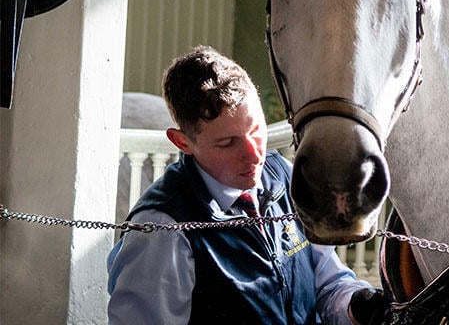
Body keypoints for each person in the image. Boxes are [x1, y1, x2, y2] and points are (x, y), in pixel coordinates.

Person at [107, 46, 387, 324]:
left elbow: (327, 285)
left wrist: (357, 304)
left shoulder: (283, 177)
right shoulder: (162, 230)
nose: (255, 155)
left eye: (256, 130)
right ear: (182, 142)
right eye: (228, 143)